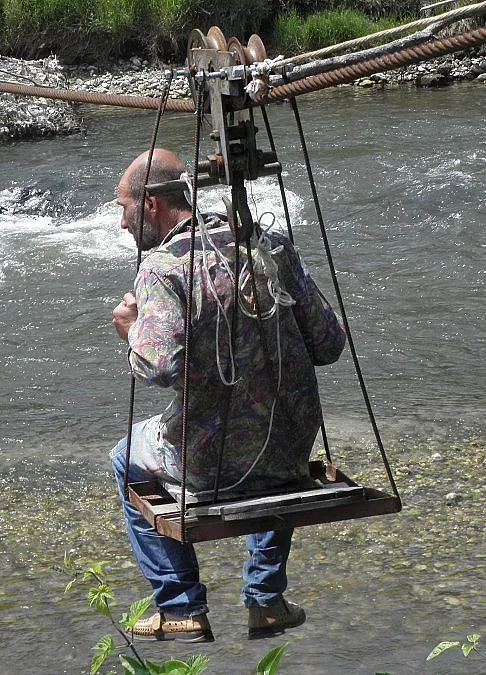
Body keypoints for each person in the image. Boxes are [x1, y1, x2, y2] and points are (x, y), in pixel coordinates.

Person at [110, 149, 346, 643]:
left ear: (151, 204)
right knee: (270, 425)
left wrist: (132, 330)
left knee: (124, 455)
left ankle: (183, 608)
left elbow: (159, 367)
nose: (122, 221)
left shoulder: (163, 268)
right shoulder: (270, 247)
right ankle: (266, 601)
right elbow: (329, 343)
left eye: (124, 208)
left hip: (211, 464)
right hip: (288, 451)